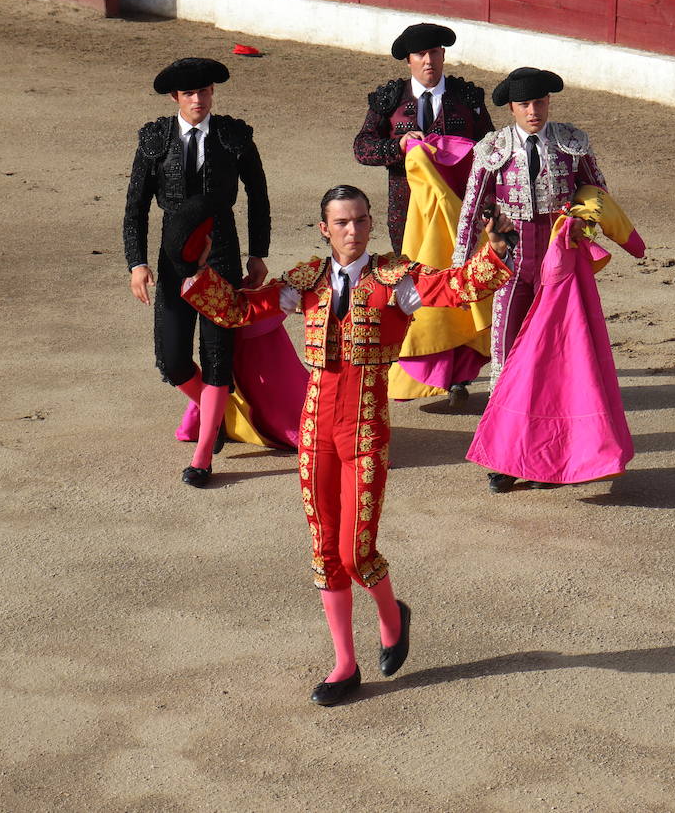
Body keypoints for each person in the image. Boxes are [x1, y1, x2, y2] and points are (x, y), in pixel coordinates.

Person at [178, 185, 514, 705]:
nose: (352, 231)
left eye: (360, 220)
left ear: (370, 223)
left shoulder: (395, 279)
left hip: (365, 428)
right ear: (324, 228)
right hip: (315, 431)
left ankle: (391, 616)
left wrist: (495, 250)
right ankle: (344, 663)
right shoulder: (306, 281)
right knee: (324, 548)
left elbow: (453, 286)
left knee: (357, 551)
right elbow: (242, 311)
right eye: (342, 223)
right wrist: (196, 274)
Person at [451, 67, 610, 493]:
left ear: (548, 102)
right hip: (512, 263)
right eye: (525, 105)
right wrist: (460, 268)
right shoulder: (494, 147)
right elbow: (472, 207)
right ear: (511, 108)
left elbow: (597, 195)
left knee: (558, 359)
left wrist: (584, 228)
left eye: (539, 102)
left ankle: (551, 457)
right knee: (505, 359)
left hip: (558, 265)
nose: (533, 111)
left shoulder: (571, 142)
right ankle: (503, 458)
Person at [122, 57, 272, 488]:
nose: (198, 100)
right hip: (173, 259)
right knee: (171, 359)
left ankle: (204, 454)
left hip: (223, 252)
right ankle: (216, 412)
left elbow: (258, 195)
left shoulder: (233, 136)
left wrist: (258, 252)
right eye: (190, 94)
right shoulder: (155, 140)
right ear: (176, 98)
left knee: (217, 356)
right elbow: (135, 207)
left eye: (204, 91)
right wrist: (137, 263)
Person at [352, 22, 493, 255]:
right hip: (406, 209)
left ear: (443, 54)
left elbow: (490, 149)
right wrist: (399, 146)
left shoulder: (467, 98)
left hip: (457, 204)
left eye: (434, 52)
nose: (429, 60)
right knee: (410, 278)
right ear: (409, 60)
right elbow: (362, 148)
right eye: (420, 54)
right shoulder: (390, 99)